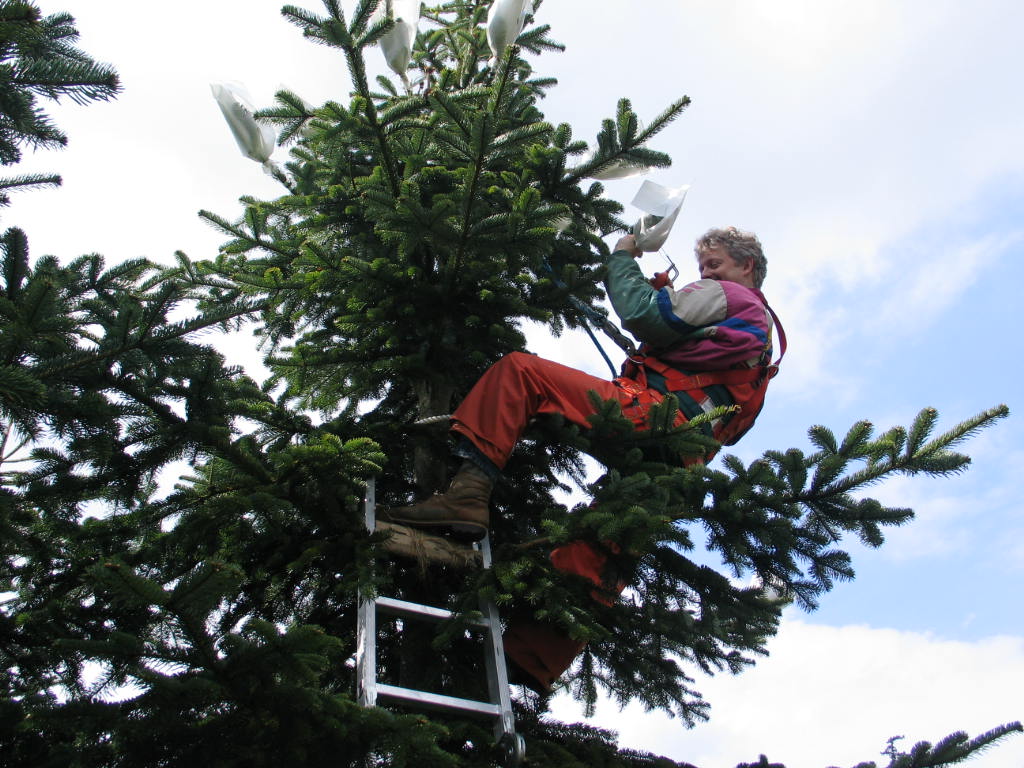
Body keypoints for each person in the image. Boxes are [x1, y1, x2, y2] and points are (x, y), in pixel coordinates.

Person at [381, 226, 784, 692]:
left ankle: (467, 493)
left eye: (714, 264)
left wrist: (623, 255)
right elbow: (732, 422)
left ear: (746, 265)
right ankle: (532, 658)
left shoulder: (730, 296)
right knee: (602, 548)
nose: (706, 274)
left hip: (652, 416)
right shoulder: (763, 347)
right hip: (684, 462)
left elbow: (643, 314)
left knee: (522, 373)